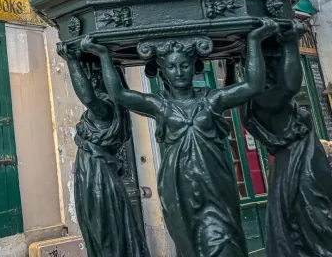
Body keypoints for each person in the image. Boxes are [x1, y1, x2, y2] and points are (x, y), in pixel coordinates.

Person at [81, 18, 278, 257]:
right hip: (177, 186)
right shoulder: (160, 105)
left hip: (214, 183)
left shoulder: (212, 100)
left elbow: (253, 86)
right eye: (172, 67)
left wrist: (255, 40)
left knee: (224, 243)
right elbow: (120, 94)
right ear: (163, 71)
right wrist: (103, 56)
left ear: (193, 65)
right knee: (189, 246)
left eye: (184, 65)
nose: (179, 72)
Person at [241, 20, 332, 257]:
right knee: (314, 224)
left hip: (306, 164)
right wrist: (291, 44)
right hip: (300, 170)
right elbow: (290, 85)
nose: (278, 63)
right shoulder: (262, 101)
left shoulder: (267, 100)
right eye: (273, 59)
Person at [61, 44, 150, 257]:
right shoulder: (111, 109)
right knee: (99, 230)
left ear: (98, 79)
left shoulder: (107, 110)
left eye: (90, 74)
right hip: (92, 175)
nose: (88, 79)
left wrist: (72, 62)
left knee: (104, 230)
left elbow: (88, 98)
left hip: (97, 177)